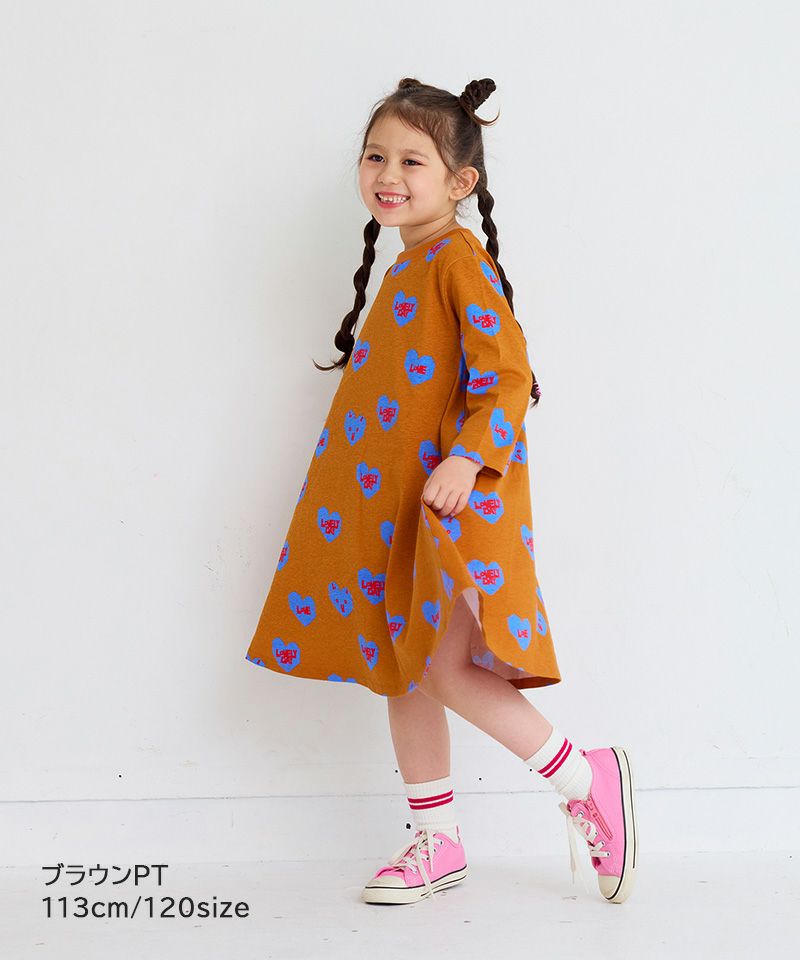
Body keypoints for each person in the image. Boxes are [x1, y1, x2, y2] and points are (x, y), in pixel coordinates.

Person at [244, 76, 638, 906]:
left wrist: (466, 461)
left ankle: (587, 778)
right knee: (406, 670)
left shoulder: (458, 262)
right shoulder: (408, 266)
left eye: (411, 161)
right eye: (375, 156)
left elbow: (509, 377)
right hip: (393, 511)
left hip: (448, 507)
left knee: (443, 667)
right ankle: (438, 840)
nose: (388, 174)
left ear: (461, 182)